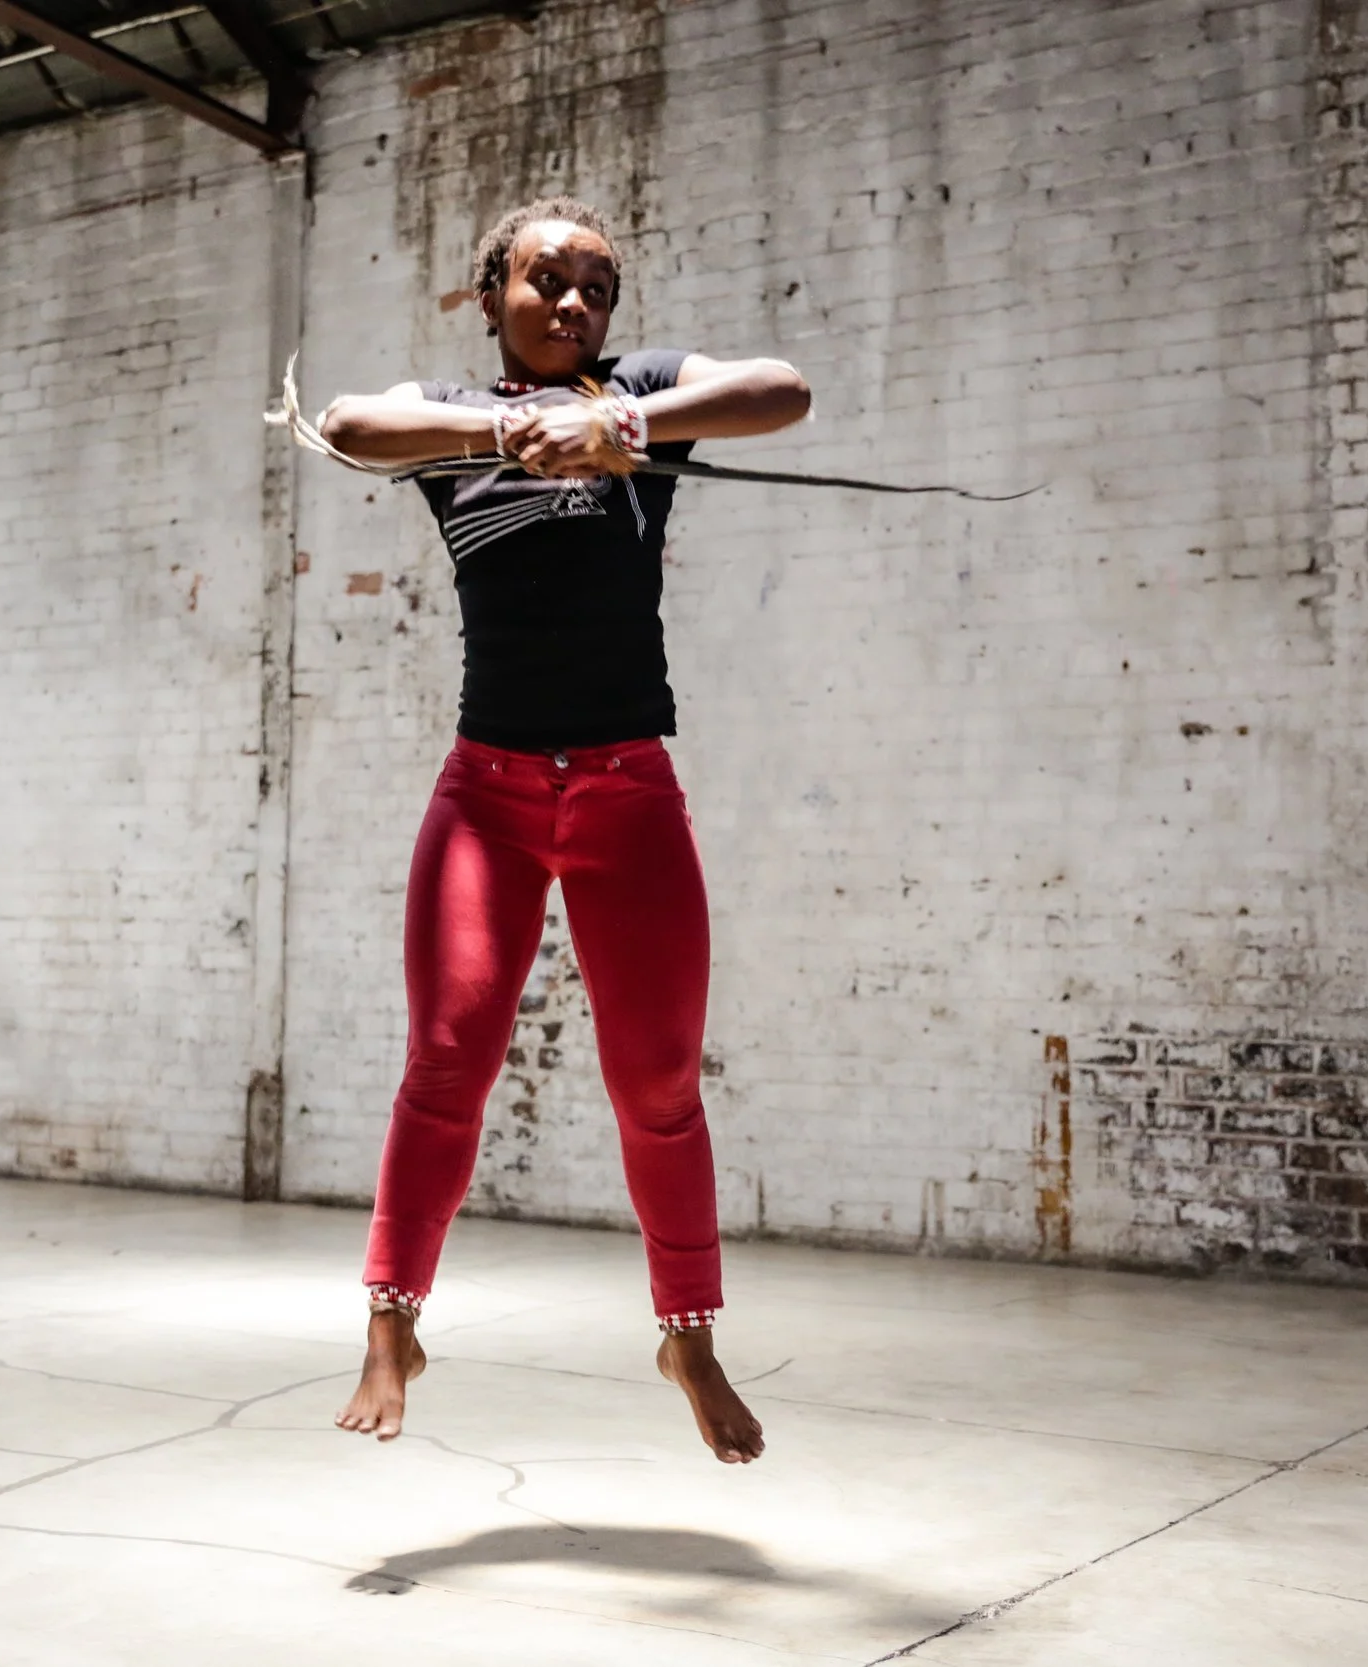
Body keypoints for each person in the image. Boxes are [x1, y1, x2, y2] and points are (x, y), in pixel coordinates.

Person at [315, 197, 810, 1464]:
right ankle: (391, 1320)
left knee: (659, 1080)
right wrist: (506, 429)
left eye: (595, 287)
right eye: (545, 280)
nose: (573, 304)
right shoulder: (448, 418)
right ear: (492, 295)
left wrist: (619, 425)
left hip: (626, 791)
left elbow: (781, 389)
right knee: (446, 1059)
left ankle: (688, 1333)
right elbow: (348, 425)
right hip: (484, 798)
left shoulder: (636, 394)